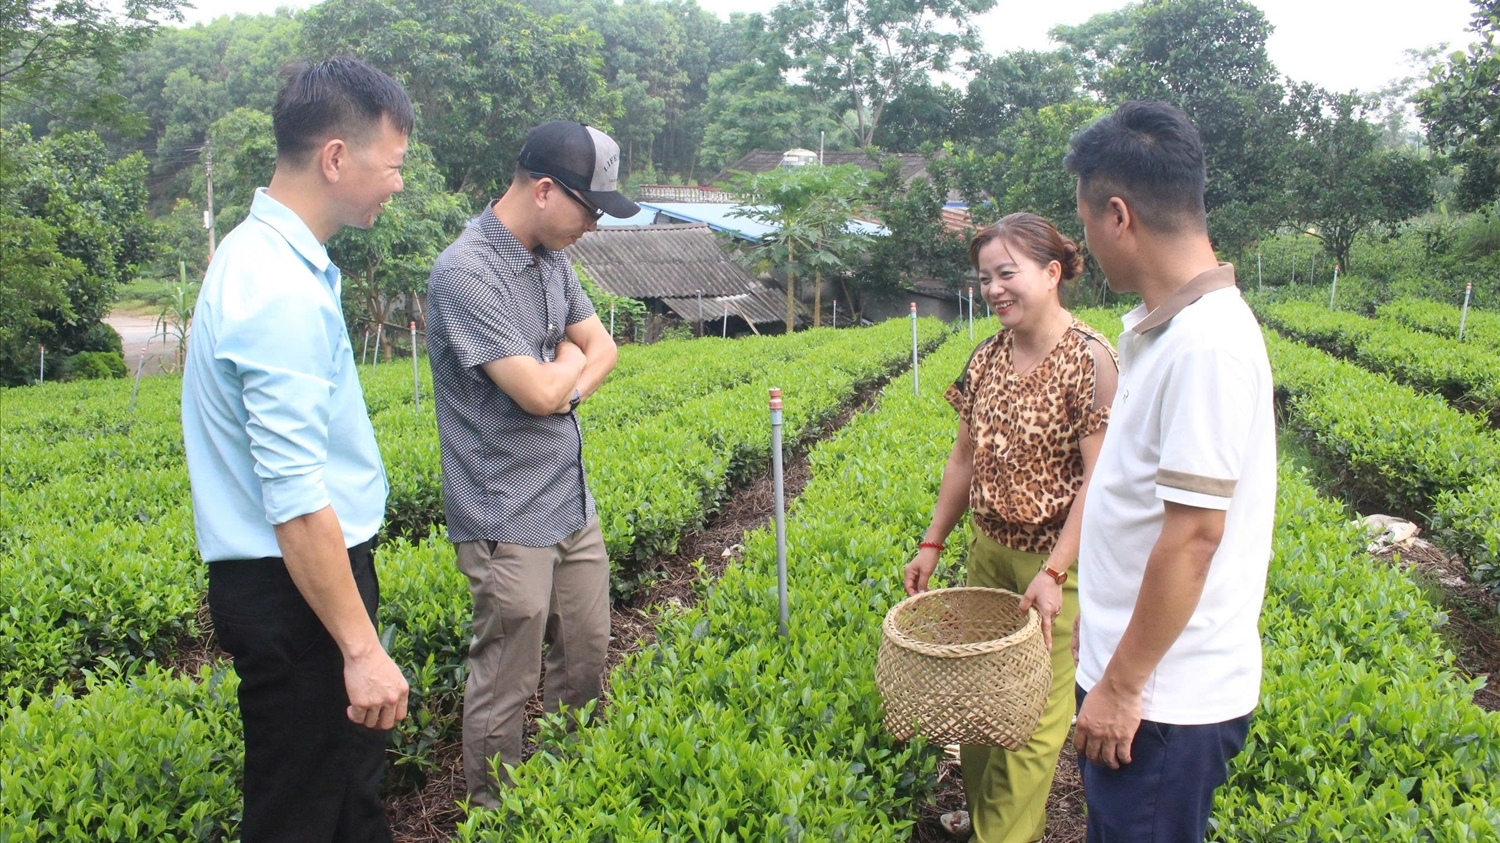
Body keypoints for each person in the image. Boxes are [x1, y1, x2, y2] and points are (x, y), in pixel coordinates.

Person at [180, 58, 413, 841]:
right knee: (302, 813)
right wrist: (359, 644)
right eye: (394, 165)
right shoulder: (274, 287)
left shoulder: (273, 263)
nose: (399, 184)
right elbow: (296, 496)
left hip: (304, 586)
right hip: (298, 593)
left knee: (345, 799)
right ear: (337, 158)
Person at [1066, 101, 1276, 842]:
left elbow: (1192, 538)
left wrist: (1121, 684)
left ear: (1117, 214)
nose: (1086, 242)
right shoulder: (1168, 330)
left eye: (1086, 221)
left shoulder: (1206, 346)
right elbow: (1139, 509)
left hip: (1161, 704)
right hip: (1141, 683)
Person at [424, 121, 639, 807]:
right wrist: (564, 372)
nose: (595, 226)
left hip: (571, 503)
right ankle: (497, 813)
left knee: (586, 656)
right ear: (545, 191)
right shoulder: (465, 273)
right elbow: (539, 391)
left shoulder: (554, 258)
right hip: (505, 514)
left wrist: (564, 369)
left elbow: (600, 348)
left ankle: (569, 797)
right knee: (506, 683)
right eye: (591, 208)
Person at [904, 212, 1118, 843]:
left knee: (1031, 718)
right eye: (985, 278)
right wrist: (932, 542)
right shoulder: (988, 356)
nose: (994, 288)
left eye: (1007, 273)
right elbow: (963, 458)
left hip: (1057, 563)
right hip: (989, 553)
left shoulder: (1090, 360)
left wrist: (1055, 571)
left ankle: (1004, 836)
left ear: (1052, 274)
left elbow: (1098, 485)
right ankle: (982, 817)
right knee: (977, 702)